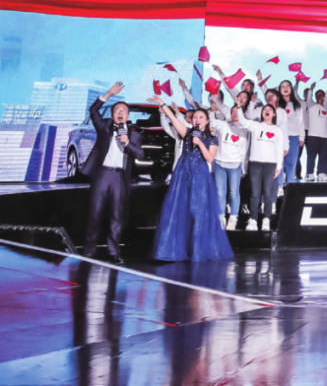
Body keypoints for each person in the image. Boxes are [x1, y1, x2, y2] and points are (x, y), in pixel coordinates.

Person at [150, 101, 233, 262]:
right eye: (195, 117)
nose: (197, 119)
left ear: (207, 121)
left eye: (201, 117)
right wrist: (162, 104)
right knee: (179, 209)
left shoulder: (212, 139)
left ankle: (198, 251)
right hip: (183, 173)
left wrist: (200, 143)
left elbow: (210, 158)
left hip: (200, 175)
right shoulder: (187, 133)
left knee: (198, 210)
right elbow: (174, 119)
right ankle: (174, 250)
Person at [83, 82, 145, 264]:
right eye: (117, 110)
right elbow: (93, 111)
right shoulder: (104, 126)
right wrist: (109, 94)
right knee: (94, 213)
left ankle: (113, 252)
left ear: (128, 116)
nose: (120, 113)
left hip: (119, 177)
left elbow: (140, 154)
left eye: (124, 111)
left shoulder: (134, 135)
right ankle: (89, 250)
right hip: (102, 174)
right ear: (112, 115)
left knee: (117, 217)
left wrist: (126, 143)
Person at [236, 105, 285, 231]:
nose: (267, 111)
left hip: (270, 164)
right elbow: (243, 122)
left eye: (270, 110)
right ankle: (253, 219)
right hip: (255, 164)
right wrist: (239, 108)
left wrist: (279, 166)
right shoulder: (255, 125)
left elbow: (280, 148)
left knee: (268, 193)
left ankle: (266, 219)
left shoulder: (277, 130)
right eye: (264, 110)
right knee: (255, 193)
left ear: (274, 114)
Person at [207, 101, 249, 231]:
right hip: (220, 163)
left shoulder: (244, 129)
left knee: (234, 192)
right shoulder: (224, 124)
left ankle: (233, 218)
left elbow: (245, 150)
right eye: (233, 112)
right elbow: (213, 123)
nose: (235, 114)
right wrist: (212, 111)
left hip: (235, 164)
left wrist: (244, 168)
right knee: (220, 192)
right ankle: (221, 217)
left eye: (237, 112)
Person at [277, 80, 305, 186]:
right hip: (279, 137)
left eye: (287, 86)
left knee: (291, 163)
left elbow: (300, 122)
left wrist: (301, 137)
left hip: (293, 136)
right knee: (279, 162)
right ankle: (279, 186)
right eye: (282, 86)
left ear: (291, 89)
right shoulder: (277, 105)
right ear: (279, 90)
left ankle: (290, 186)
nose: (285, 88)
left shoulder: (297, 105)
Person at [304, 87, 327, 180]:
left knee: (323, 156)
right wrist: (311, 89)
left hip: (325, 136)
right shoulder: (311, 105)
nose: (321, 96)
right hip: (313, 135)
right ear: (316, 97)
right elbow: (309, 97)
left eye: (322, 95)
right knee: (311, 156)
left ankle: (321, 173)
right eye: (319, 95)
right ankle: (310, 173)